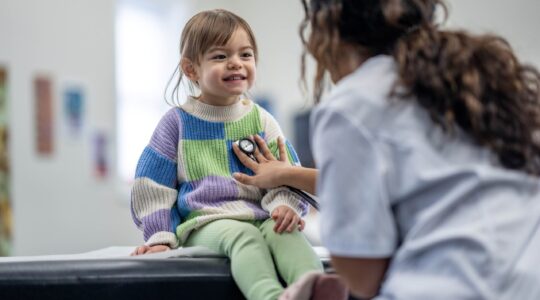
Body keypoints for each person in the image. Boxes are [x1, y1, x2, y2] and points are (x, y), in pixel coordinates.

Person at [234, 0, 540, 299]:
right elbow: (427, 181)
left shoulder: (352, 105)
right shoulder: (478, 78)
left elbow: (362, 277)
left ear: (324, 29)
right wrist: (288, 174)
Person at [129, 9, 348, 300]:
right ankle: (270, 296)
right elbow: (151, 187)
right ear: (191, 69)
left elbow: (287, 169)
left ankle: (311, 285)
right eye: (220, 56)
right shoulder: (176, 123)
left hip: (259, 215)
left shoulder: (262, 120)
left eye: (245, 55)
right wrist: (160, 238)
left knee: (286, 233)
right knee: (245, 237)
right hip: (205, 222)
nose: (236, 63)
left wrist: (284, 205)